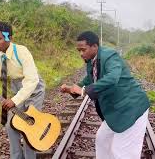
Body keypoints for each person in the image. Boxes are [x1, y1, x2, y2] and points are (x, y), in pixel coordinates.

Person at [60, 31, 150, 159]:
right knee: (102, 140)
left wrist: (84, 91)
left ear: (95, 46)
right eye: (78, 50)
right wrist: (72, 89)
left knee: (121, 153)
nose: (81, 53)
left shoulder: (110, 56)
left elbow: (112, 78)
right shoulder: (91, 60)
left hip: (131, 108)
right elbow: (90, 79)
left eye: (83, 49)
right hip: (116, 110)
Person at [0, 21, 45, 159]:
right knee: (10, 125)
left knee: (29, 125)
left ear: (9, 38)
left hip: (34, 89)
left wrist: (14, 100)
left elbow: (32, 80)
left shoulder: (22, 51)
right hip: (17, 90)